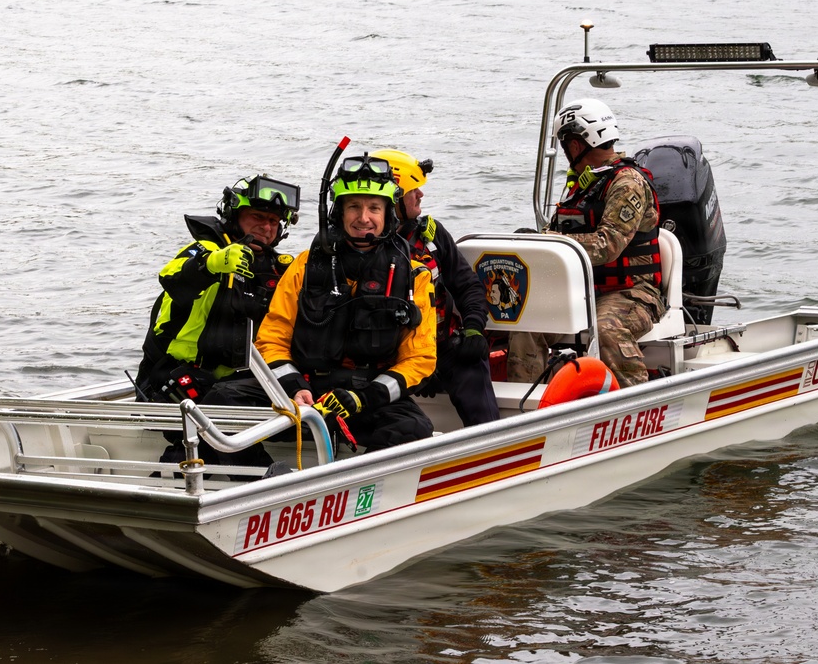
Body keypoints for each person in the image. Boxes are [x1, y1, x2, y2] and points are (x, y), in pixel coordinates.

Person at [205, 153, 437, 452]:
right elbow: (272, 338)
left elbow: (420, 358)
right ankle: (267, 480)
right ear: (338, 212)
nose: (363, 217)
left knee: (412, 428)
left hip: (367, 394)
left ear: (387, 214)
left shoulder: (414, 275)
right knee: (221, 402)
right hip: (303, 391)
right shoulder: (303, 265)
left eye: (373, 208)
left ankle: (357, 491)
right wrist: (294, 388)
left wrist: (364, 398)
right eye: (353, 206)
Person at [134, 174, 299, 466]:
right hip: (173, 382)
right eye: (257, 217)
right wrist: (211, 265)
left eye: (274, 222)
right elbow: (171, 276)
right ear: (235, 217)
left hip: (233, 384)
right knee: (217, 431)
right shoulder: (206, 250)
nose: (266, 227)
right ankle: (266, 483)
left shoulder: (278, 269)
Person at [507, 98, 664, 389]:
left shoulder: (627, 183)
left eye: (566, 144)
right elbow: (559, 235)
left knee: (606, 330)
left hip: (633, 293)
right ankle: (527, 410)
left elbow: (608, 245)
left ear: (576, 145)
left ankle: (635, 403)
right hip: (582, 291)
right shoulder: (583, 185)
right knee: (526, 325)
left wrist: (550, 239)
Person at [370, 149, 499, 426]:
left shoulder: (430, 235)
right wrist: (415, 366)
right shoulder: (361, 246)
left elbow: (468, 286)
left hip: (444, 347)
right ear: (393, 196)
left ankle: (491, 447)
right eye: (413, 189)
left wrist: (474, 328)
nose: (420, 195)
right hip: (392, 356)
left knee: (474, 374)